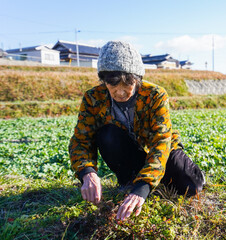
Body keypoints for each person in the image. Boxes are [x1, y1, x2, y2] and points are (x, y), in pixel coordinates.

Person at [69, 41, 205, 221]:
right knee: (107, 135)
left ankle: (148, 182)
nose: (120, 94)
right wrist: (87, 173)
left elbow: (160, 143)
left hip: (160, 152)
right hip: (130, 153)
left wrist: (143, 187)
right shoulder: (93, 98)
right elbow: (80, 141)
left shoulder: (155, 95)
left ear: (137, 79)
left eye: (127, 86)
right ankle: (129, 181)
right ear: (104, 81)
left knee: (191, 186)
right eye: (113, 87)